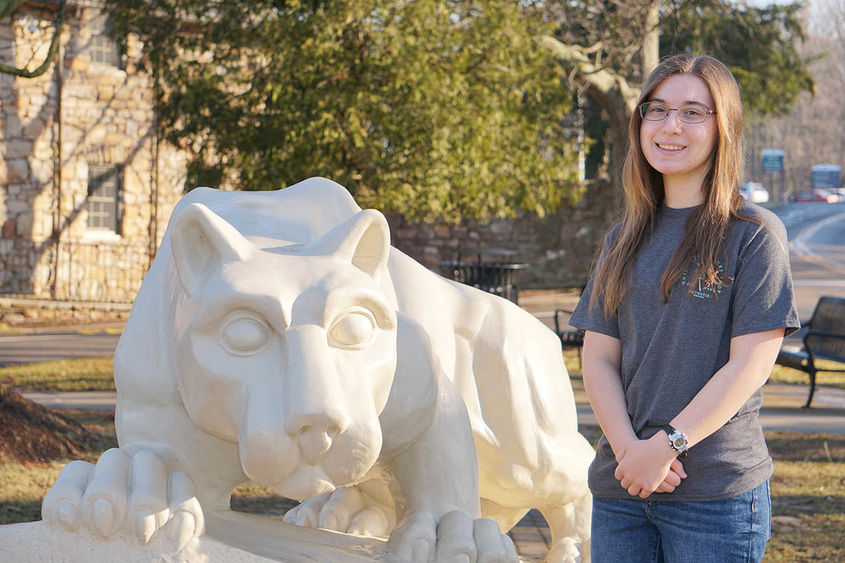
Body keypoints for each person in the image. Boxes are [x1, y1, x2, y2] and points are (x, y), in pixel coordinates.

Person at [569, 53, 800, 562]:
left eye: (694, 112)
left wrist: (666, 446)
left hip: (714, 497)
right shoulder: (621, 239)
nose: (671, 126)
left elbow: (751, 364)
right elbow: (599, 358)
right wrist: (632, 453)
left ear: (724, 128)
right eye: (658, 109)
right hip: (621, 491)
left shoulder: (753, 235)